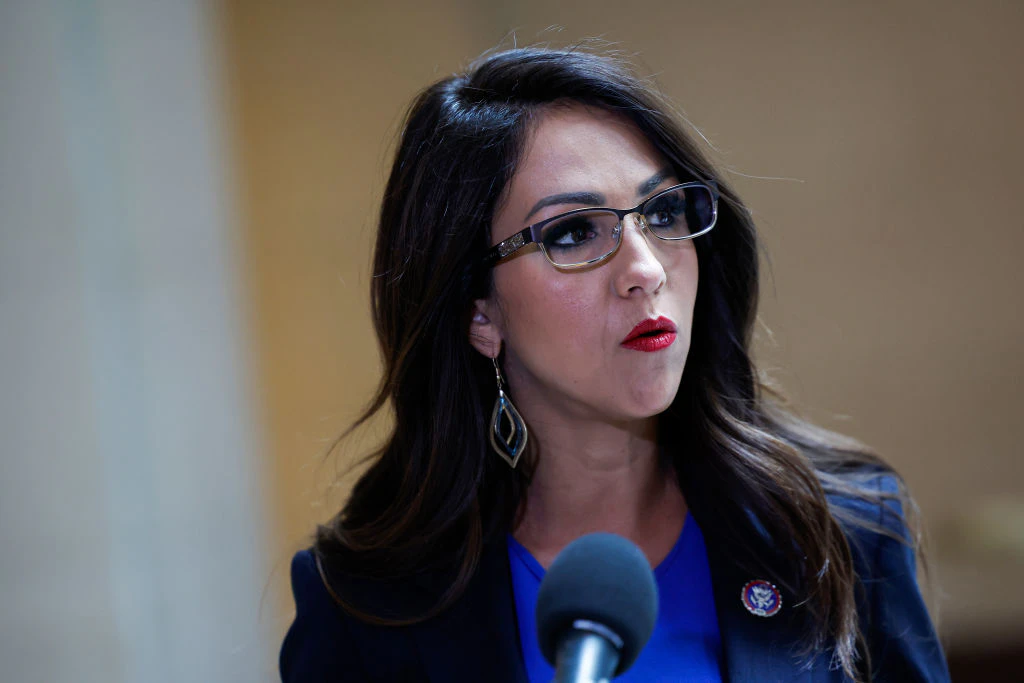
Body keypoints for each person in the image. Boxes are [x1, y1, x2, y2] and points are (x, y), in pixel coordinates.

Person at [279, 46, 949, 682]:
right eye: (572, 232)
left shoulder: (847, 528)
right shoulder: (364, 600)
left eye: (661, 212)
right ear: (479, 313)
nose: (646, 269)